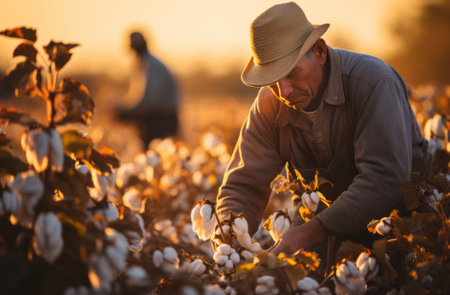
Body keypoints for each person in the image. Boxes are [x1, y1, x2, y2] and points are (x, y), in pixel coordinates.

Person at [215, 2, 430, 260]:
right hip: (320, 230)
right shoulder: (269, 105)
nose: (283, 92)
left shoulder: (372, 83)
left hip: (400, 227)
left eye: (292, 73)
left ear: (319, 52)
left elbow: (385, 180)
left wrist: (308, 232)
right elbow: (243, 186)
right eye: (272, 81)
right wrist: (228, 244)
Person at [116, 31, 179, 148]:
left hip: (161, 121)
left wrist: (127, 111)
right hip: (159, 119)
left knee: (155, 155)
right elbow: (139, 96)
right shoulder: (147, 63)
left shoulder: (150, 65)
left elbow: (149, 100)